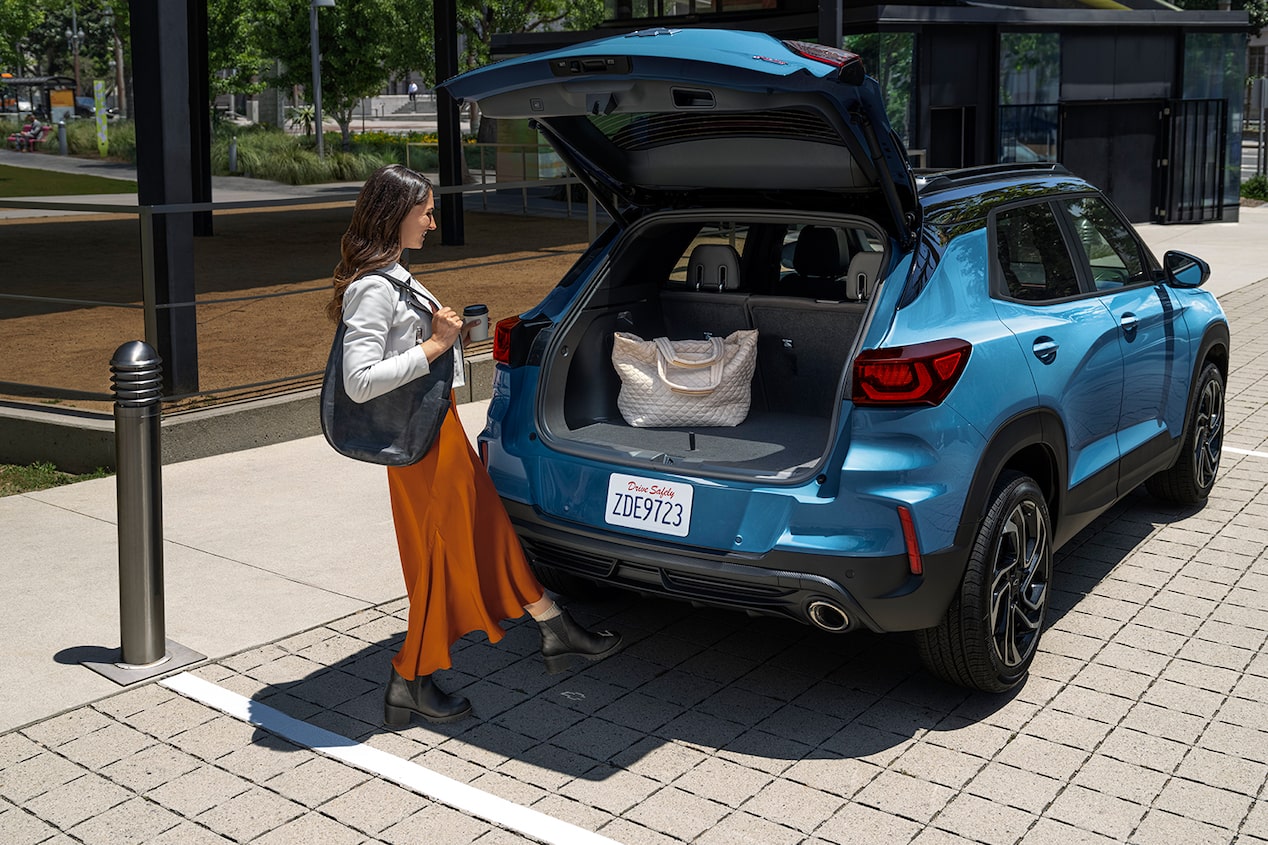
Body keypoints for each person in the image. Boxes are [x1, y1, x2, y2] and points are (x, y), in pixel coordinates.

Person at [327, 164, 621, 726]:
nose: (433, 223)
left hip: (439, 432)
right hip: (418, 447)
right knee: (438, 556)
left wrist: (454, 339)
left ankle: (554, 624)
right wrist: (438, 345)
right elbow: (358, 380)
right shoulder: (371, 288)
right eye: (425, 212)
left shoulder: (394, 275)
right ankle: (410, 677)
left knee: (487, 528)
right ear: (395, 215)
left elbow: (415, 348)